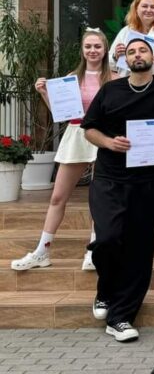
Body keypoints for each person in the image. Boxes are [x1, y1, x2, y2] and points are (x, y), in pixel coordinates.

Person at [82, 37, 154, 342]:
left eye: (143, 51)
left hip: (147, 179)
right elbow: (89, 129)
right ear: (126, 59)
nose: (138, 55)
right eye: (133, 51)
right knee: (107, 238)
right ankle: (105, 290)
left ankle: (121, 317)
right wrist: (109, 142)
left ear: (153, 57)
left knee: (140, 248)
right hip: (109, 177)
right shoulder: (110, 90)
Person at [11, 29, 116, 272]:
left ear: (105, 49)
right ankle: (42, 251)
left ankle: (94, 252)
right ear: (82, 50)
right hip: (76, 135)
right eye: (88, 46)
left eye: (97, 46)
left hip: (103, 137)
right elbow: (63, 113)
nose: (92, 50)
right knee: (58, 197)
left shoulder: (115, 77)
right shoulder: (71, 77)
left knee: (99, 199)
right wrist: (44, 93)